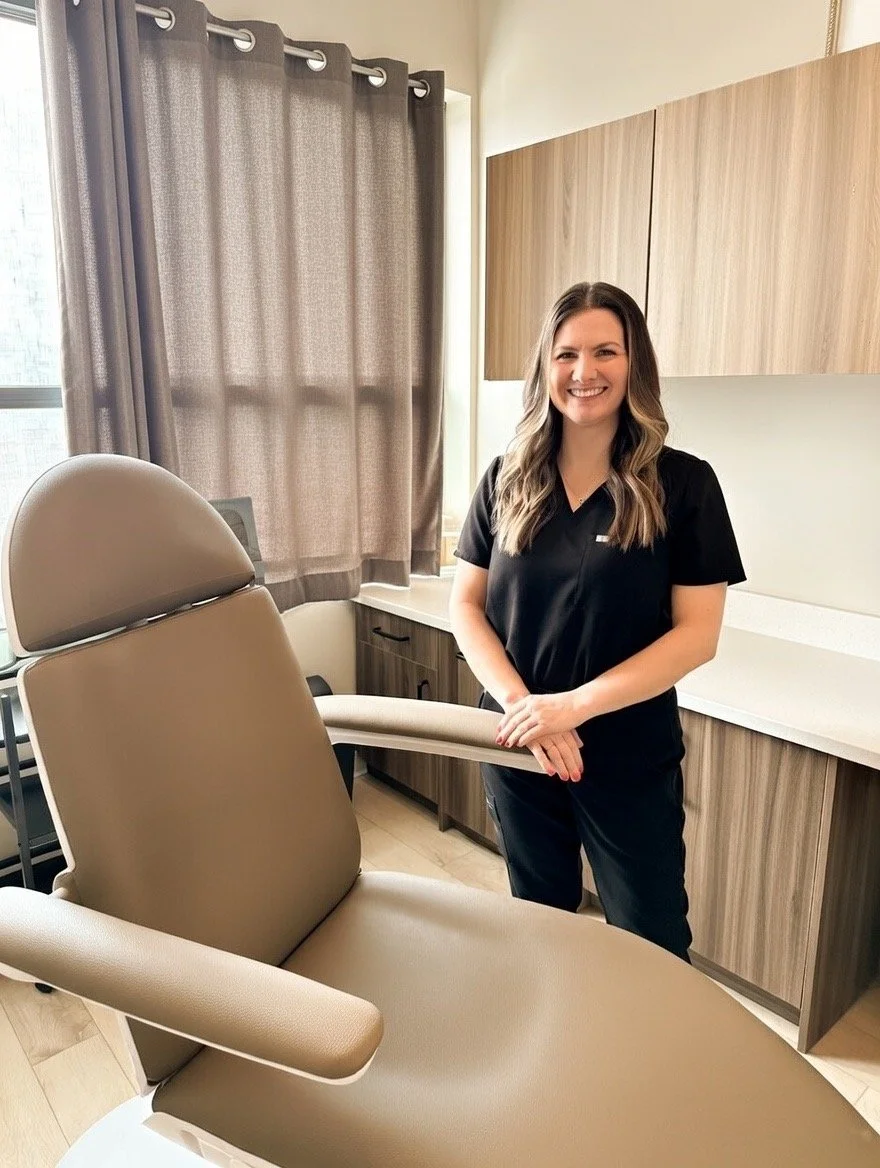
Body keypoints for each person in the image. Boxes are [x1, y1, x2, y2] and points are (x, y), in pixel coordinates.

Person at [449, 281, 745, 961]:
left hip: (626, 752)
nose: (584, 372)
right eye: (567, 354)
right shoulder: (505, 480)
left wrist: (573, 709)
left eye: (605, 351)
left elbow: (696, 633)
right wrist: (529, 710)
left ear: (633, 363)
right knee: (539, 923)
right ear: (545, 367)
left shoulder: (684, 485)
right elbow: (466, 606)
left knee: (653, 937)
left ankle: (653, 1063)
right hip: (519, 744)